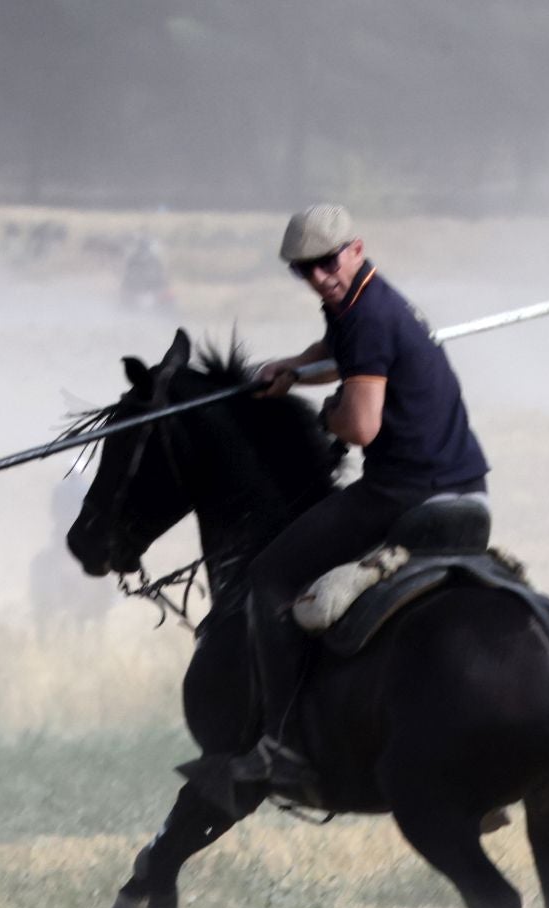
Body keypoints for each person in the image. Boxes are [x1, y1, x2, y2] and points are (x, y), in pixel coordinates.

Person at [203, 203, 492, 795]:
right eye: (302, 269)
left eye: (327, 262)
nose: (318, 276)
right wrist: (292, 368)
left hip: (404, 491)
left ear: (355, 248)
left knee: (270, 578)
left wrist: (324, 414)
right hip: (467, 487)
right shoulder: (366, 301)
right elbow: (341, 353)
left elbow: (360, 425)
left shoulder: (367, 317)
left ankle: (280, 746)